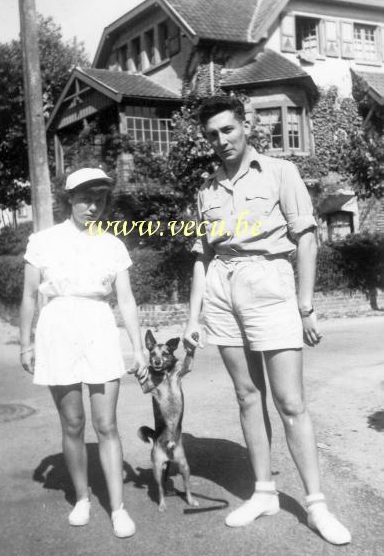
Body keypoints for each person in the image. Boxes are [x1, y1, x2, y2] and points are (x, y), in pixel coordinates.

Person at [183, 96, 351, 545]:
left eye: (228, 130)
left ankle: (316, 506)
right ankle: (263, 493)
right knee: (246, 395)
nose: (221, 140)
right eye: (212, 135)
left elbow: (308, 240)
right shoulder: (206, 189)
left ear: (245, 127)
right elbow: (202, 256)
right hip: (222, 285)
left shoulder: (281, 172)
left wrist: (305, 304)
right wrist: (192, 317)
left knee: (290, 401)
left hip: (269, 282)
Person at [19, 167, 147, 538]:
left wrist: (138, 348)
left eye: (101, 199)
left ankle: (118, 508)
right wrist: (25, 342)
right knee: (73, 424)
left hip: (98, 326)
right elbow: (29, 295)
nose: (94, 206)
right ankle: (82, 498)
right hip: (57, 326)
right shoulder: (43, 241)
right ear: (70, 200)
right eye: (86, 199)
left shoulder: (112, 244)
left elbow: (126, 299)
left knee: (106, 424)